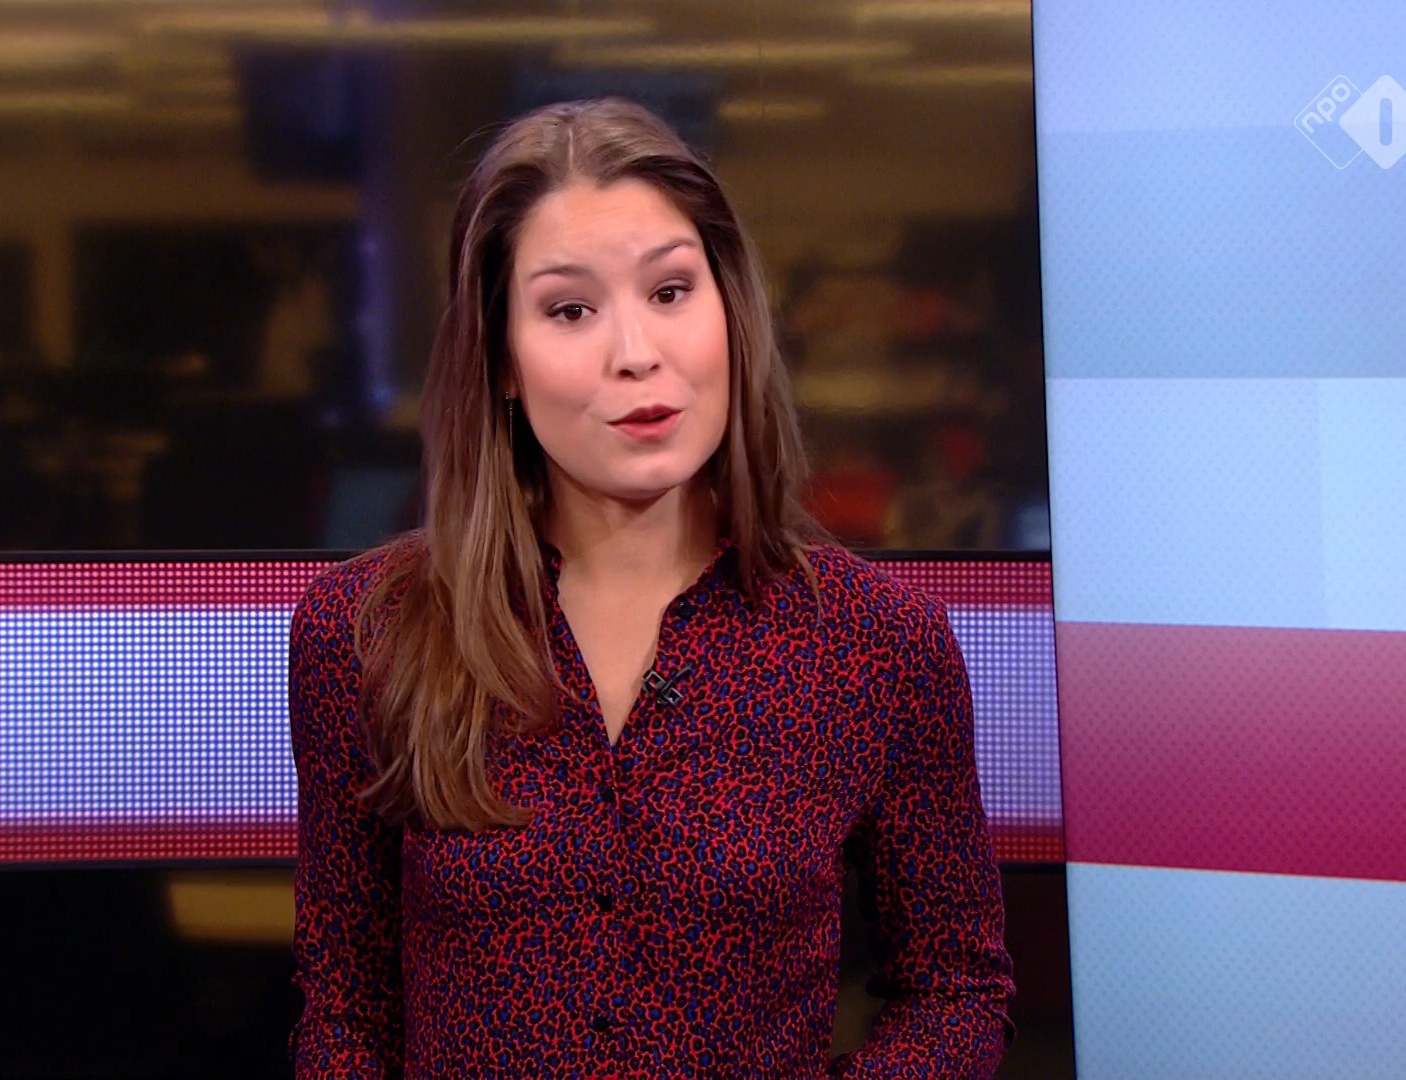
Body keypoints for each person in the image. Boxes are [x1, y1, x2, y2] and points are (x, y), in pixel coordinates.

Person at [287, 98, 1014, 1079]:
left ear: (731, 313)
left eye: (671, 291)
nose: (636, 352)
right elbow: (345, 1014)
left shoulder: (874, 642)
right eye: (570, 310)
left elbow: (954, 992)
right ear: (500, 360)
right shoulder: (368, 629)